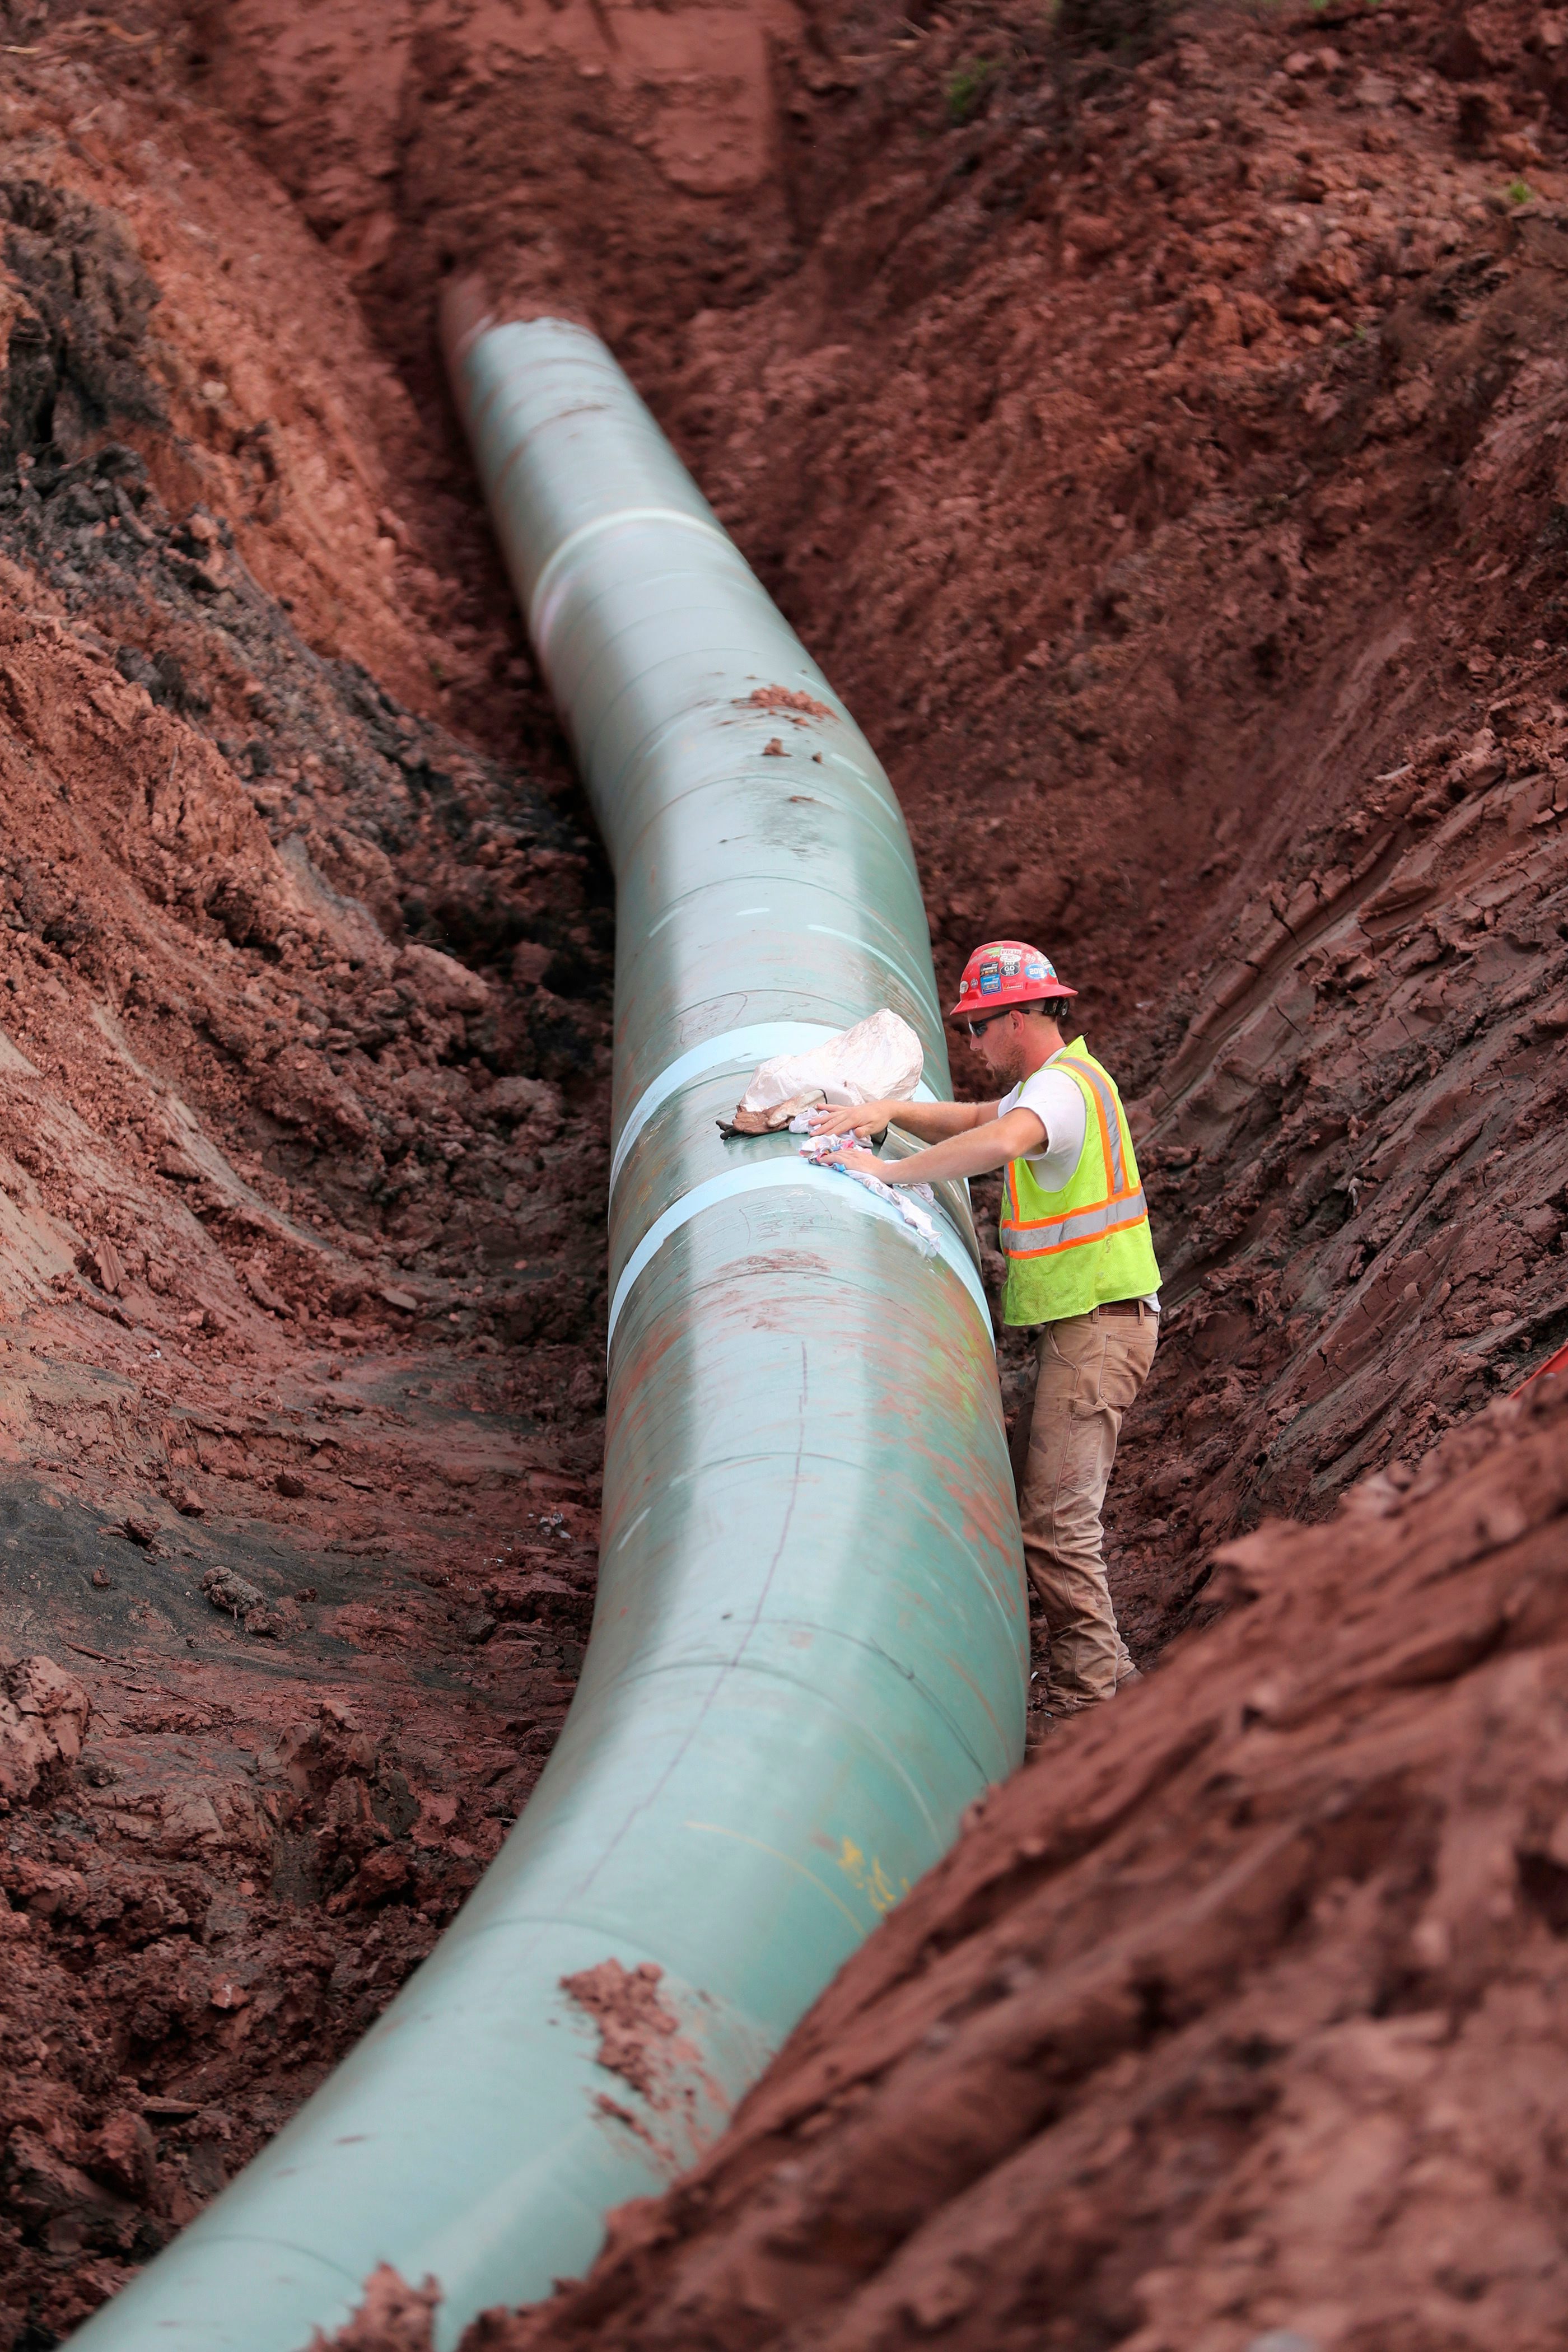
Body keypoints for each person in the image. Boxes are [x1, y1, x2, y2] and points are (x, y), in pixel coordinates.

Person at [810, 940, 1161, 1723]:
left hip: (1099, 1330)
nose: (971, 1045)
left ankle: (1087, 1713)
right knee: (1057, 1522)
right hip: (1086, 1328)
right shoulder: (1060, 1085)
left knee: (1058, 1528)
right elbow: (976, 1119)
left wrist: (889, 1173)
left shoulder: (1061, 1093)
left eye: (977, 1028)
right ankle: (1124, 1696)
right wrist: (893, 1113)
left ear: (1023, 1017)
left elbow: (999, 1142)